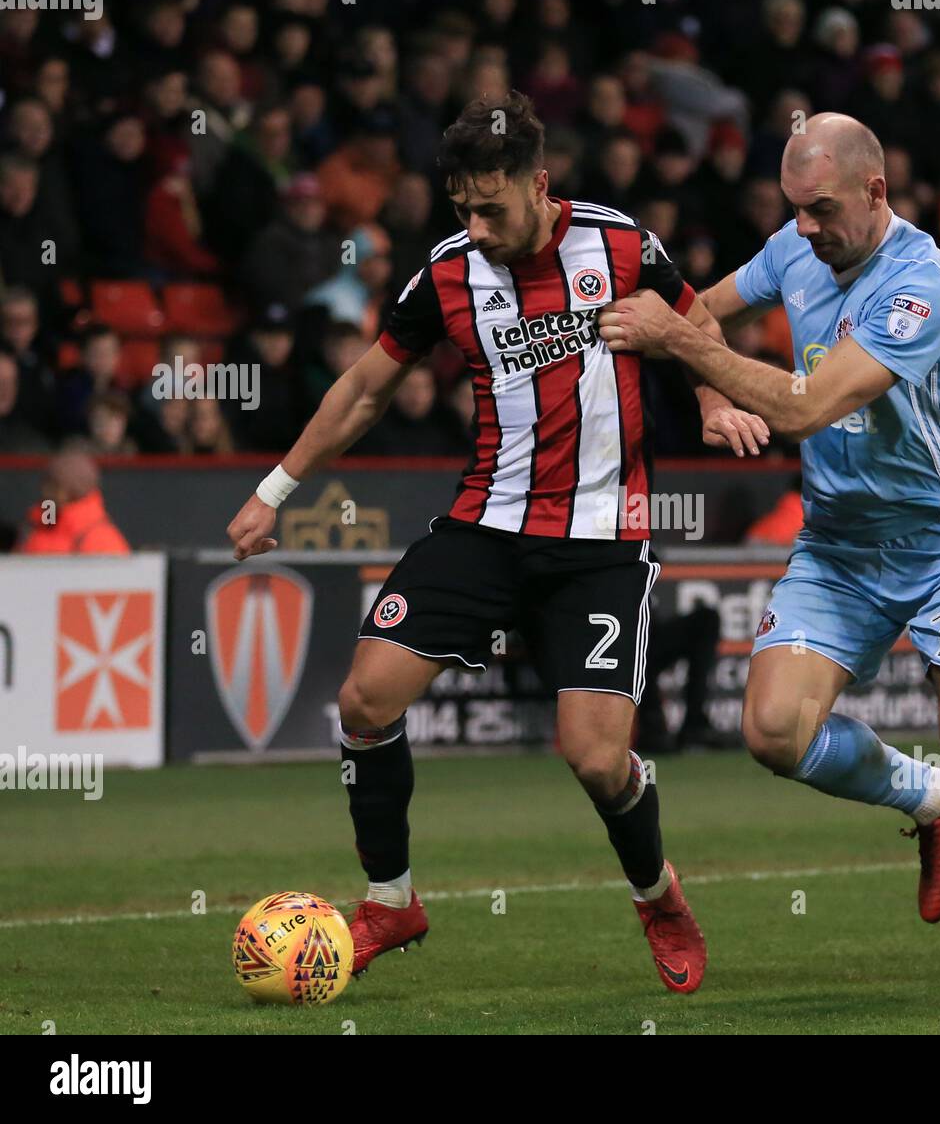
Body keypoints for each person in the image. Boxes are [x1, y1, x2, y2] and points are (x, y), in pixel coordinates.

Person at [226, 91, 767, 995]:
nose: (475, 227)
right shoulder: (446, 273)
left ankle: (658, 893)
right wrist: (274, 489)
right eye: (461, 208)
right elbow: (364, 389)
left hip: (600, 536)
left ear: (539, 185)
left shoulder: (619, 241)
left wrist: (713, 400)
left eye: (491, 207)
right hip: (485, 524)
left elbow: (694, 323)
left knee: (596, 757)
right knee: (365, 698)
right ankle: (391, 900)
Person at [598, 112, 940, 991]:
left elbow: (802, 404)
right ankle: (926, 802)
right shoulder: (796, 249)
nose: (803, 227)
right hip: (839, 545)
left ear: (876, 191)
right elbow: (697, 313)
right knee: (772, 730)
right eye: (792, 209)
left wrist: (681, 345)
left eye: (819, 208)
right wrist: (709, 396)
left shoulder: (924, 285)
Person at [17, 445, 130, 555]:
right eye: (45, 483)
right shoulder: (34, 526)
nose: (46, 491)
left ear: (75, 492)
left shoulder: (102, 540)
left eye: (55, 486)